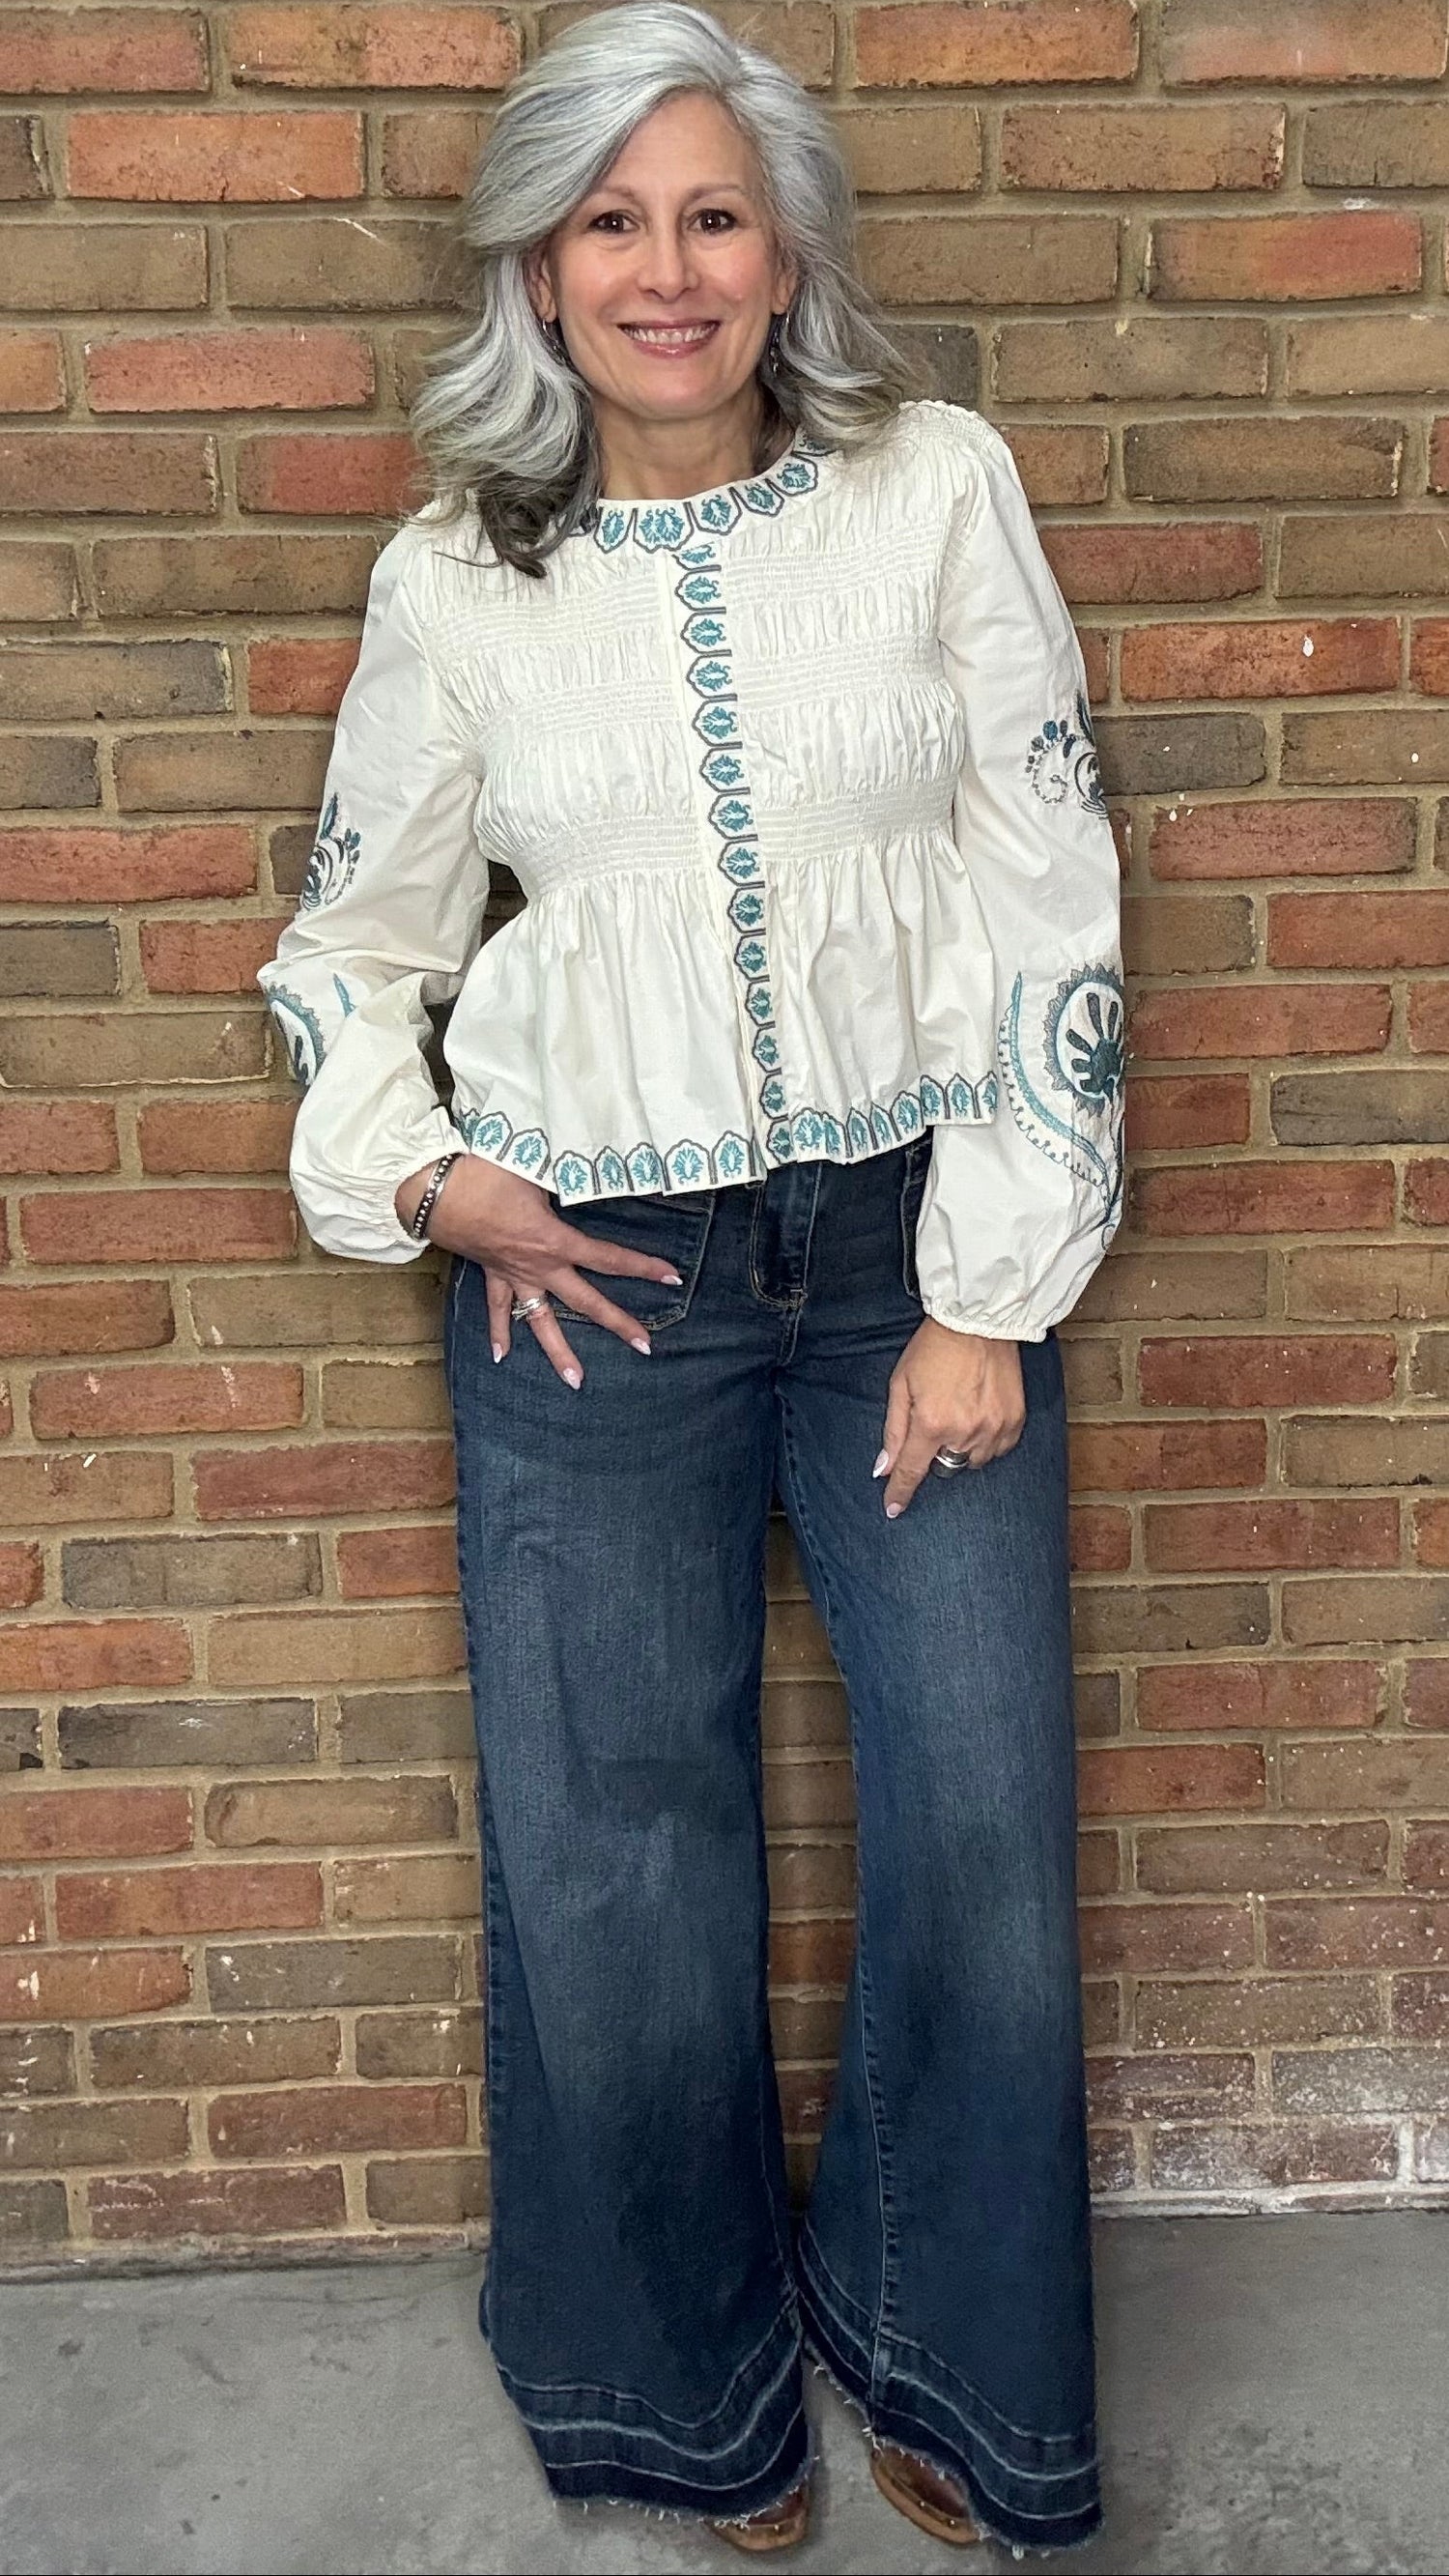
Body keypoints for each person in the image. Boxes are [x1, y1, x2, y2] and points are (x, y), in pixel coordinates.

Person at [259, 2, 1124, 2553]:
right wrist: (421, 1177)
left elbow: (1043, 874)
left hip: (903, 1257)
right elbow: (357, 931)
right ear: (536, 263)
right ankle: (678, 2391)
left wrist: (988, 1279)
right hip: (586, 1274)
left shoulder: (932, 492)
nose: (665, 268)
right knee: (614, 1851)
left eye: (711, 212)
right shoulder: (454, 575)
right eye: (610, 219)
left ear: (787, 251)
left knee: (974, 1820)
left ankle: (951, 2351)